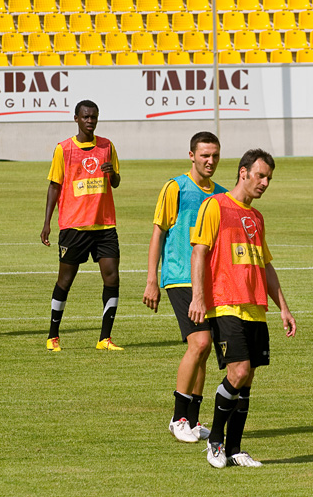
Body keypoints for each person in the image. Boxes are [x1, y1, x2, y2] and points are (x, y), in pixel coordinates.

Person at [189, 148, 297, 468]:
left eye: (269, 179)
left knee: (247, 380)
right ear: (243, 172)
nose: (265, 183)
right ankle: (215, 442)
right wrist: (198, 297)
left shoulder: (256, 217)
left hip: (255, 308)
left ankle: (235, 450)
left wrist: (284, 308)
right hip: (225, 303)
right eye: (260, 176)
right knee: (237, 372)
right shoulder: (216, 206)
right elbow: (199, 252)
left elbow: (265, 266)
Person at [143, 132, 228, 443]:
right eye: (204, 155)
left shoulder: (222, 195)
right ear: (191, 155)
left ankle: (192, 421)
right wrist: (152, 279)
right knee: (200, 343)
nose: (210, 161)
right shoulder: (176, 187)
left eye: (215, 155)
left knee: (204, 350)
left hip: (208, 283)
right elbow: (158, 232)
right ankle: (178, 418)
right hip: (180, 277)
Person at [41, 100, 123, 352]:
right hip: (73, 226)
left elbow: (116, 182)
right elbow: (54, 185)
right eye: (86, 117)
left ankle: (104, 339)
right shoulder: (64, 149)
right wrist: (47, 223)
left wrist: (112, 173)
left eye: (94, 117)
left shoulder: (107, 146)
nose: (90, 121)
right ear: (76, 118)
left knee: (112, 278)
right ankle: (53, 336)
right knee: (65, 281)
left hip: (104, 225)